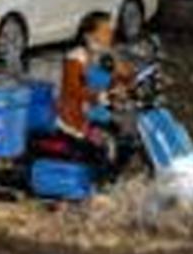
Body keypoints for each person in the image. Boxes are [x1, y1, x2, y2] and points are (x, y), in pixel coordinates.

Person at [57, 11, 135, 176]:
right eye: (105, 31)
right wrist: (100, 96)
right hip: (77, 119)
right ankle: (99, 182)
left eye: (111, 30)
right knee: (105, 147)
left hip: (99, 116)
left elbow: (125, 77)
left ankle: (112, 179)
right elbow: (73, 89)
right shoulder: (76, 57)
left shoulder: (105, 56)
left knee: (127, 143)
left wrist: (124, 77)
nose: (110, 34)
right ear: (89, 35)